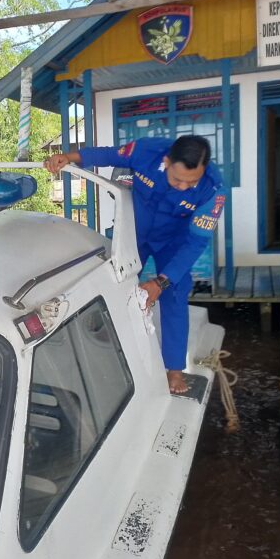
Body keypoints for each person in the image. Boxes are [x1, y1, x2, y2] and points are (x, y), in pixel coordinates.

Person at [44, 136, 226, 395]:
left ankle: (174, 368)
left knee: (175, 293)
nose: (184, 187)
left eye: (191, 182)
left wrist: (161, 282)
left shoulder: (213, 189)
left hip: (173, 241)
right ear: (166, 161)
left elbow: (195, 243)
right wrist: (69, 158)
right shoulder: (146, 151)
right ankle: (105, 333)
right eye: (177, 180)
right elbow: (108, 155)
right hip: (135, 232)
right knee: (115, 279)